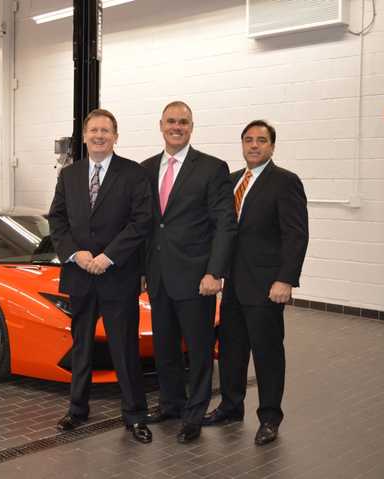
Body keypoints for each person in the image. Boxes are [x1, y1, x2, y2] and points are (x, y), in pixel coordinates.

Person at [48, 108, 154, 444]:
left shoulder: (133, 174)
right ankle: (77, 410)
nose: (99, 136)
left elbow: (141, 222)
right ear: (84, 135)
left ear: (115, 136)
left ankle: (135, 415)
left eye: (105, 131)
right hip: (79, 276)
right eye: (93, 130)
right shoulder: (69, 175)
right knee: (81, 347)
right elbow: (57, 220)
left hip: (117, 276)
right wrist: (75, 254)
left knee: (124, 347)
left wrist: (108, 257)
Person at [203, 119, 308, 446]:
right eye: (248, 140)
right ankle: (231, 407)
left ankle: (269, 418)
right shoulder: (232, 181)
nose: (253, 145)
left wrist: (286, 279)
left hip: (266, 286)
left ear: (272, 146)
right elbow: (222, 231)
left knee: (267, 354)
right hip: (232, 285)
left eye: (261, 140)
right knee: (232, 351)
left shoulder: (285, 182)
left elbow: (296, 235)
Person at [141, 101, 237, 444]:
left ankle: (194, 414)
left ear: (191, 127)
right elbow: (146, 225)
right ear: (161, 125)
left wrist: (215, 273)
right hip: (159, 277)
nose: (176, 127)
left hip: (198, 279)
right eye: (171, 121)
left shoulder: (212, 169)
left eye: (183, 122)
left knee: (197, 352)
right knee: (164, 347)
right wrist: (141, 271)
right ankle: (171, 404)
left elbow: (225, 225)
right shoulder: (146, 168)